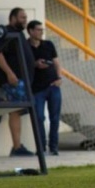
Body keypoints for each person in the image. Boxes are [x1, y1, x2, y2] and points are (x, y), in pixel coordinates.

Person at [0, 8, 36, 157]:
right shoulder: (3, 31)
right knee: (16, 110)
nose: (25, 20)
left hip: (24, 80)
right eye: (22, 17)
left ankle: (1, 103)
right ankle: (17, 147)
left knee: (19, 109)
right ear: (12, 18)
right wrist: (9, 73)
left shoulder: (19, 34)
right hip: (14, 80)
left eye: (25, 18)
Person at [27, 20, 63, 156]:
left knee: (54, 117)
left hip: (53, 86)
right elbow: (22, 65)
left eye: (42, 30)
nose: (41, 32)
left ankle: (54, 147)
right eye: (38, 30)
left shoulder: (48, 45)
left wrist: (59, 78)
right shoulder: (25, 46)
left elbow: (56, 63)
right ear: (30, 31)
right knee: (39, 118)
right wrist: (35, 64)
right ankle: (41, 147)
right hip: (37, 88)